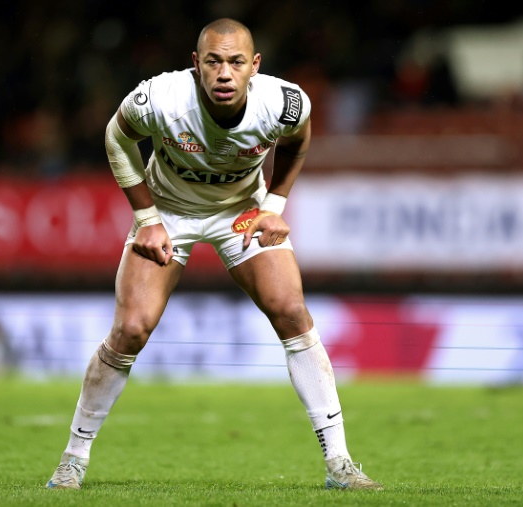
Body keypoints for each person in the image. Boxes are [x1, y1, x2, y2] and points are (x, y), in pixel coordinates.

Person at [46, 18, 382, 491]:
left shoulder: (285, 103)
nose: (225, 73)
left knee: (291, 311)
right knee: (131, 329)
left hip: (241, 214)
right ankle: (73, 459)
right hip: (169, 212)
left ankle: (341, 464)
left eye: (236, 62)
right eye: (214, 61)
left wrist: (274, 206)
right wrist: (147, 219)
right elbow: (116, 138)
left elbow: (298, 141)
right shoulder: (159, 99)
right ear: (196, 65)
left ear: (255, 67)